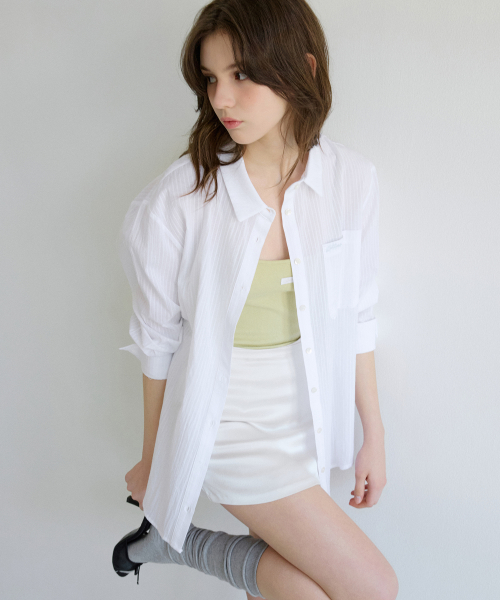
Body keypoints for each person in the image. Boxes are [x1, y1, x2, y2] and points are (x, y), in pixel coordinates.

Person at [112, 1, 399, 599]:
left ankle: (165, 543)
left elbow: (357, 315)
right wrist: (156, 459)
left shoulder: (351, 180)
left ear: (304, 68)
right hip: (221, 417)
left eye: (241, 74)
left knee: (292, 592)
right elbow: (158, 342)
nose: (221, 98)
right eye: (211, 78)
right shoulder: (177, 202)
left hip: (306, 411)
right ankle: (180, 541)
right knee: (371, 587)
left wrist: (372, 432)